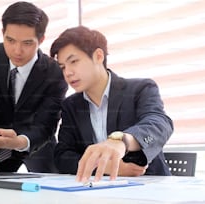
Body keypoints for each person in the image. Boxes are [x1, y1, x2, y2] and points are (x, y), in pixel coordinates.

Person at [50, 26, 173, 183]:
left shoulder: (140, 89)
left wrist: (121, 141)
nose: (67, 72)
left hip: (150, 187)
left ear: (98, 56)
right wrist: (107, 166)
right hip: (97, 190)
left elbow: (160, 124)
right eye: (63, 67)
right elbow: (63, 156)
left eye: (73, 61)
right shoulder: (71, 106)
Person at [0, 1, 68, 173]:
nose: (17, 51)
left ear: (41, 40)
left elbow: (46, 124)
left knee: (52, 188)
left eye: (27, 43)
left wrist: (21, 142)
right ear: (3, 33)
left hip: (36, 141)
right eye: (10, 40)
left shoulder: (55, 72)